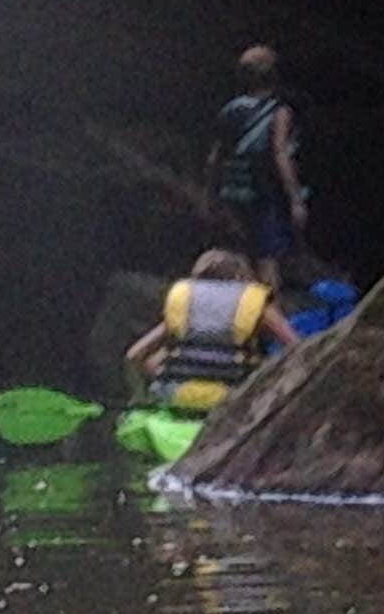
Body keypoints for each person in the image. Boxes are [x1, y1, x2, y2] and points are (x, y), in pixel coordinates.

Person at [123, 249, 302, 415]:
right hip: (233, 395)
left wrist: (140, 397)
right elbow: (298, 347)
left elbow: (133, 356)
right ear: (241, 275)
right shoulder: (253, 301)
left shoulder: (186, 304)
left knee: (158, 358)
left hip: (178, 396)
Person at [204, 46, 309, 286]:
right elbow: (280, 154)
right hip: (264, 194)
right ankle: (268, 316)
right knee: (268, 259)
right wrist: (295, 199)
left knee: (240, 256)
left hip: (232, 191)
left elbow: (215, 157)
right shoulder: (279, 111)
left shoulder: (230, 110)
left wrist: (210, 194)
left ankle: (241, 314)